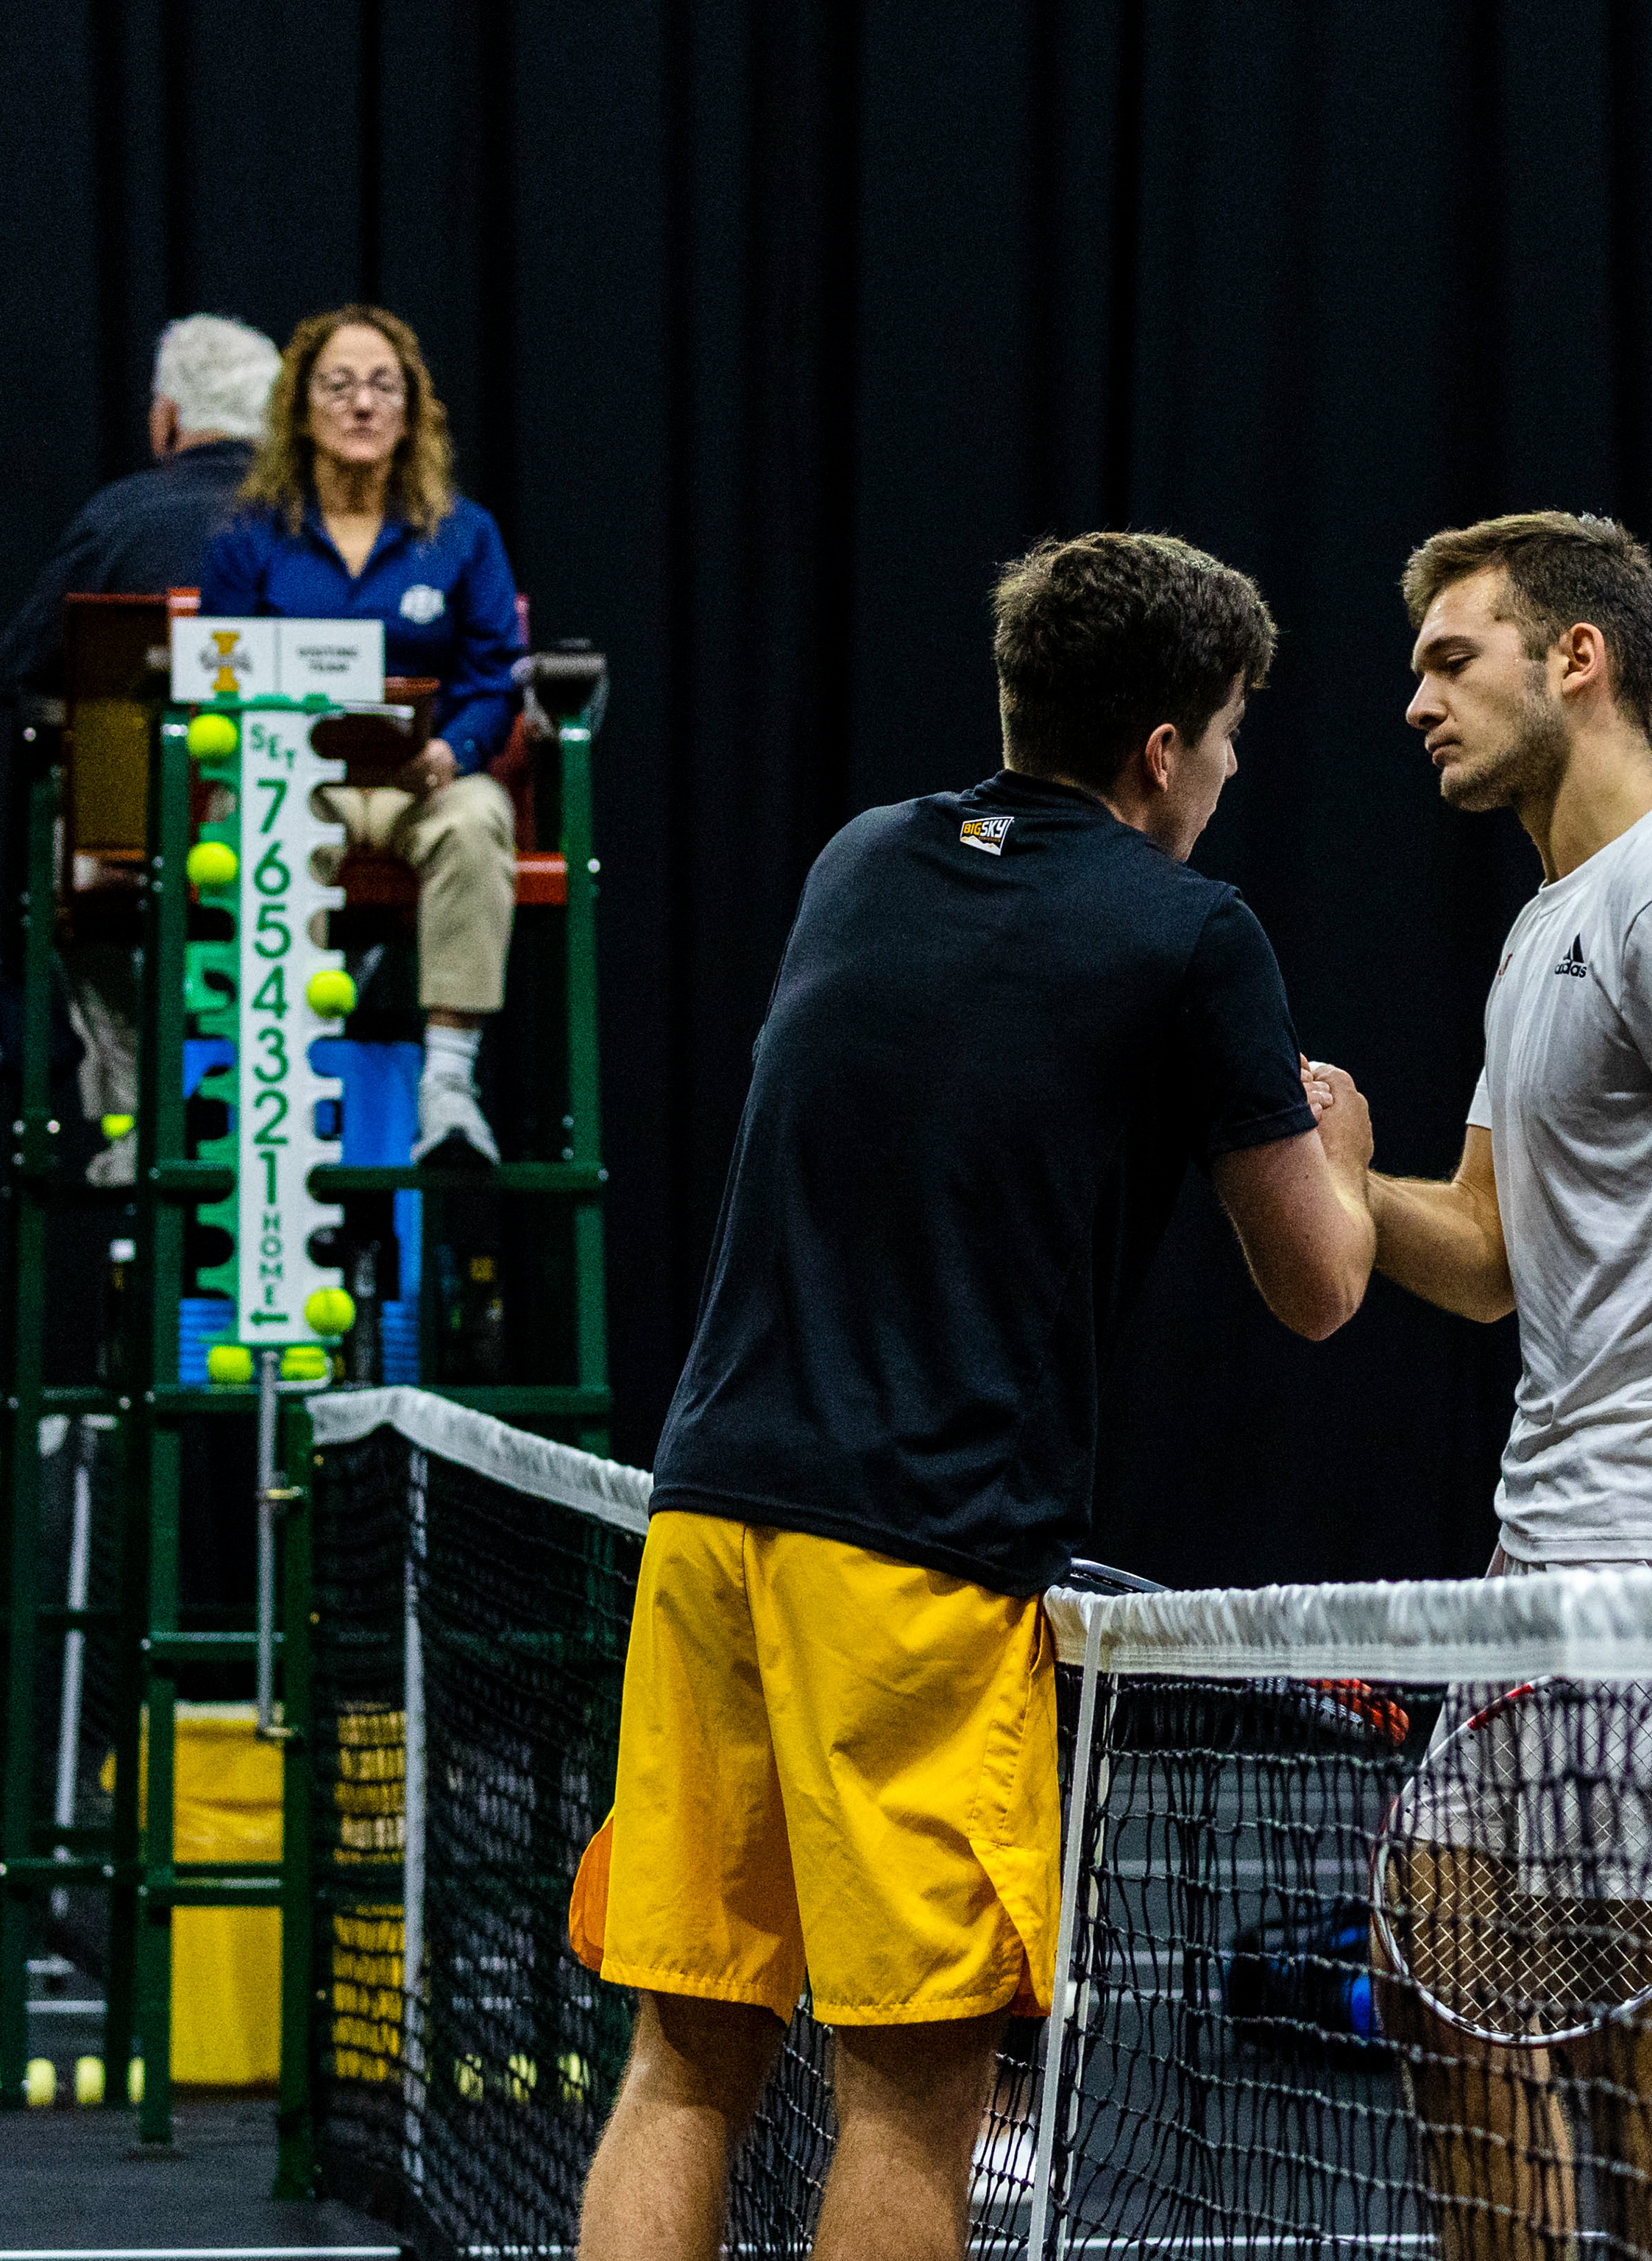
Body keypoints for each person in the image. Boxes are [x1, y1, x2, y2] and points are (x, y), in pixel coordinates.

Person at [567, 531, 1377, 2261]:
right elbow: (1318, 1283)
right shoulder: (1193, 933)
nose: (1230, 772)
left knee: (686, 2053)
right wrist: (1347, 1146)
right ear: (1161, 747)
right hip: (915, 1566)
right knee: (913, 2097)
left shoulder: (861, 859)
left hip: (709, 1520)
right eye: (1227, 734)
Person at [1324, 512, 1652, 2260]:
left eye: (1447, 657)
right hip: (1556, 1548)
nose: (1415, 698)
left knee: (1630, 2016)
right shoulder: (1551, 918)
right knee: (1459, 1995)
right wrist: (1319, 1171)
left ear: (1576, 658)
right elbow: (1485, 1246)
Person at [200, 304, 525, 1163]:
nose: (362, 404)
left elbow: (496, 675)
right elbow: (217, 676)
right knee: (258, 820)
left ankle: (448, 1090)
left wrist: (452, 753)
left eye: (384, 386)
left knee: (480, 820)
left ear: (411, 409)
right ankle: (287, 1076)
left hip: (423, 782)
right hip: (294, 780)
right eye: (338, 386)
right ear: (301, 409)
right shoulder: (251, 535)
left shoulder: (463, 533)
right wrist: (269, 746)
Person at [0, 314, 281, 1186]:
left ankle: (132, 1118)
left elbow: (19, 668)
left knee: (72, 876)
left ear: (166, 420)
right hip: (295, 845)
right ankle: (278, 1105)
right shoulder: (327, 531)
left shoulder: (116, 519)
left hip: (129, 842)